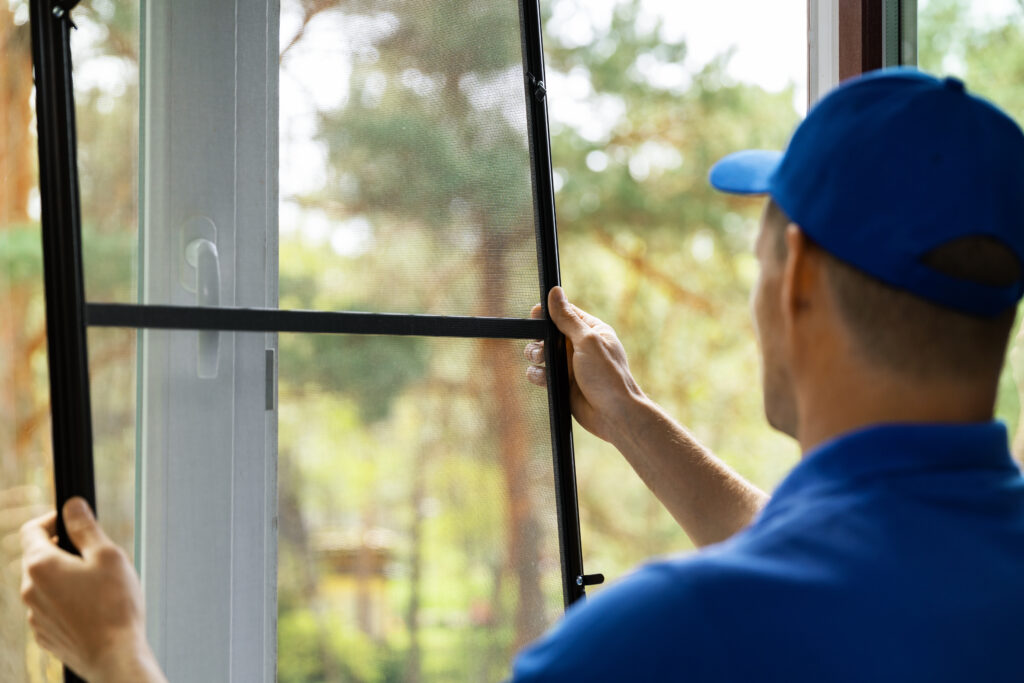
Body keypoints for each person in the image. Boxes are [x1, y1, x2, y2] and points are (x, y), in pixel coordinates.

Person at [20, 67, 1024, 681]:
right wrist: (632, 418)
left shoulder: (660, 645)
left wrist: (116, 657)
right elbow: (851, 562)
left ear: (795, 270)